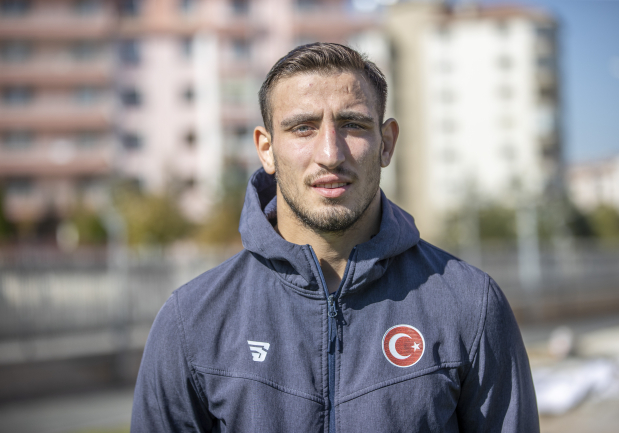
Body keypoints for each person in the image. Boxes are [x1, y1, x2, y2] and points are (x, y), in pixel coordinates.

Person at [131, 42, 539, 432]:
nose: (330, 154)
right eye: (303, 128)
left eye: (352, 125)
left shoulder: (471, 304)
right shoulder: (192, 319)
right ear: (266, 149)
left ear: (386, 143)